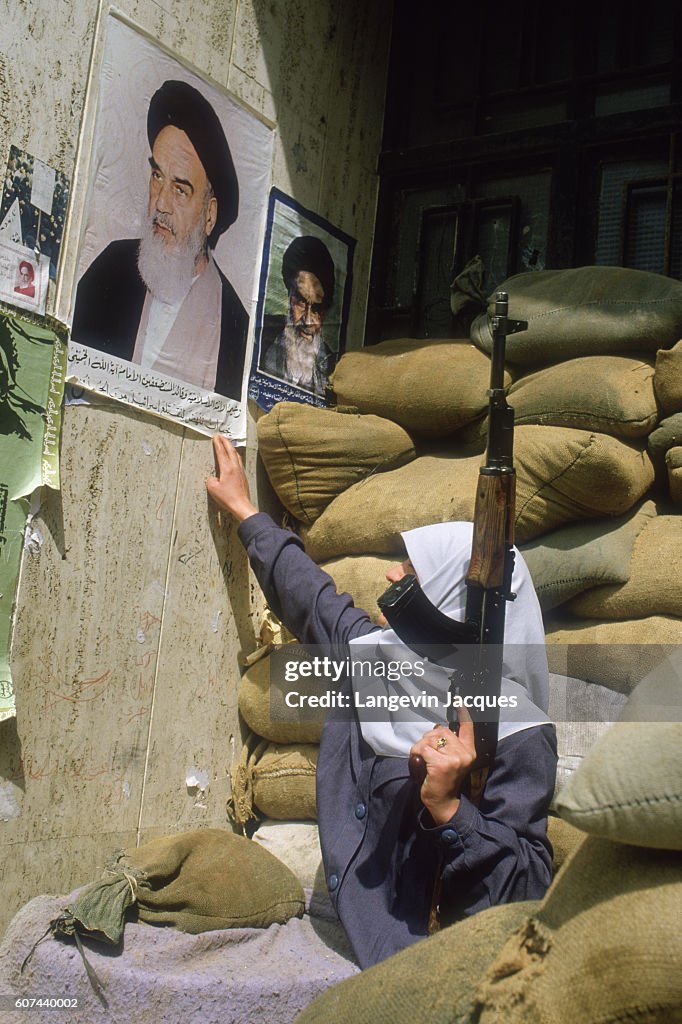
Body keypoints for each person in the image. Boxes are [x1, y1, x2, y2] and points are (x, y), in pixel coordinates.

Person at [206, 435, 557, 969]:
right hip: (351, 926)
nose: (393, 575)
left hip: (423, 961)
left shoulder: (514, 729)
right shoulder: (376, 655)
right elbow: (312, 598)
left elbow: (527, 887)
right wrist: (246, 512)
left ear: (451, 605)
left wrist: (450, 810)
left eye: (415, 575)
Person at [72, 80, 248, 400]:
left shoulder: (236, 328)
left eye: (180, 189)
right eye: (157, 176)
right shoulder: (113, 267)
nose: (161, 203)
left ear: (210, 216)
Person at [261, 235, 336, 397]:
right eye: (301, 302)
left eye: (316, 309)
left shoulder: (332, 367)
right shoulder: (261, 338)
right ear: (290, 297)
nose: (307, 320)